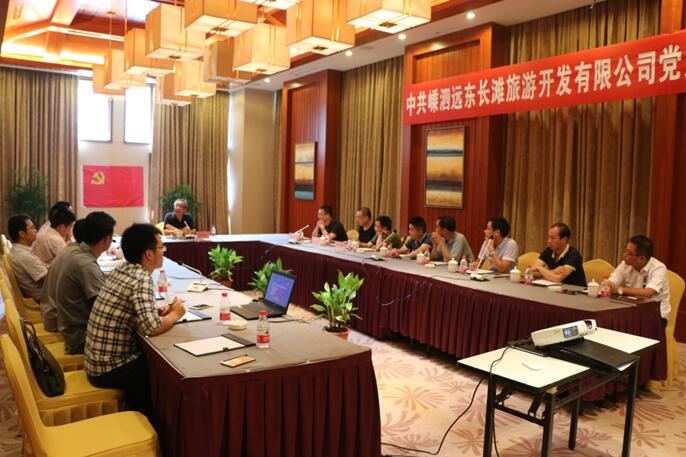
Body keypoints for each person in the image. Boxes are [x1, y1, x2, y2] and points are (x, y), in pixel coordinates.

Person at [86, 223, 185, 417]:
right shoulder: (142, 279)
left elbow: (133, 311)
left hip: (95, 362)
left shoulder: (122, 270)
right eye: (161, 248)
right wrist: (175, 314)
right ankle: (147, 423)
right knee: (161, 371)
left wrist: (156, 311)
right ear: (149, 254)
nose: (163, 252)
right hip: (109, 369)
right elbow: (151, 328)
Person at [55, 212, 116, 354]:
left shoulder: (77, 253)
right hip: (80, 338)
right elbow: (104, 309)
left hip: (70, 328)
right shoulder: (85, 264)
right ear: (107, 239)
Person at [608, 235, 671, 325]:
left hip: (655, 315)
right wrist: (608, 284)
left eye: (629, 253)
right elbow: (612, 281)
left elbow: (648, 292)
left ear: (641, 258)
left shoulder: (658, 268)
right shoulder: (625, 264)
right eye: (625, 250)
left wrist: (619, 289)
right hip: (632, 311)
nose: (624, 254)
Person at [39, 219, 85, 332]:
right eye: (70, 226)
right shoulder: (78, 258)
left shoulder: (68, 250)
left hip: (48, 309)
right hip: (58, 319)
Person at [529, 222, 586, 286]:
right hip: (555, 289)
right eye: (549, 237)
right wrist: (553, 272)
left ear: (564, 240)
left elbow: (557, 279)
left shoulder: (574, 255)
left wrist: (539, 268)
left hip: (575, 290)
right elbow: (531, 272)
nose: (549, 241)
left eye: (553, 238)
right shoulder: (549, 250)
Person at [7, 215, 47, 303]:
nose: (36, 230)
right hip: (45, 298)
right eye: (32, 228)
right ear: (22, 234)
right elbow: (48, 279)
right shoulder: (24, 256)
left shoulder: (17, 250)